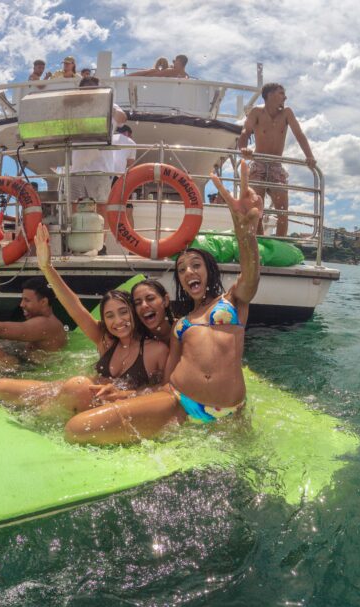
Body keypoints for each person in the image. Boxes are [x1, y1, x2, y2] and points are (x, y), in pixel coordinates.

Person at [63, 160, 262, 445]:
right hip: (179, 401)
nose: (189, 272)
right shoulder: (181, 324)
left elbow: (252, 276)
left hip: (228, 408)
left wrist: (246, 234)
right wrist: (129, 395)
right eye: (181, 270)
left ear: (210, 271)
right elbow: (165, 383)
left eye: (195, 266)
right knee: (77, 428)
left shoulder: (232, 301)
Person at [0, 225, 169, 414]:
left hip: (108, 405)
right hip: (79, 393)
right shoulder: (105, 340)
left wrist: (125, 395)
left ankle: (38, 415)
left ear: (134, 312)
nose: (118, 320)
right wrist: (47, 267)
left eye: (123, 312)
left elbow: (165, 391)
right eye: (109, 315)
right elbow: (75, 308)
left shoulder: (156, 350)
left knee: (76, 387)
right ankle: (41, 411)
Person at [237, 82, 316, 237]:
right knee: (255, 209)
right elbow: (246, 131)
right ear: (270, 94)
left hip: (276, 166)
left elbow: (299, 134)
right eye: (281, 93)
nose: (285, 97)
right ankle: (257, 242)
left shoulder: (287, 113)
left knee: (282, 211)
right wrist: (243, 149)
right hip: (259, 163)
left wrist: (309, 156)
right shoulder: (257, 112)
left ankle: (281, 243)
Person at [69, 77, 127, 214]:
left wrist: (105, 104)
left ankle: (102, 236)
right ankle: (74, 234)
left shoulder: (110, 104)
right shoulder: (74, 108)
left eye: (93, 88)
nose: (90, 92)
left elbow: (122, 118)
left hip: (100, 167)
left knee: (101, 206)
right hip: (76, 167)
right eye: (86, 89)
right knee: (73, 204)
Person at [131, 279, 174, 345]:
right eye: (137, 303)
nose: (143, 305)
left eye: (150, 298)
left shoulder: (184, 329)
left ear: (165, 300)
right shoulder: (135, 341)